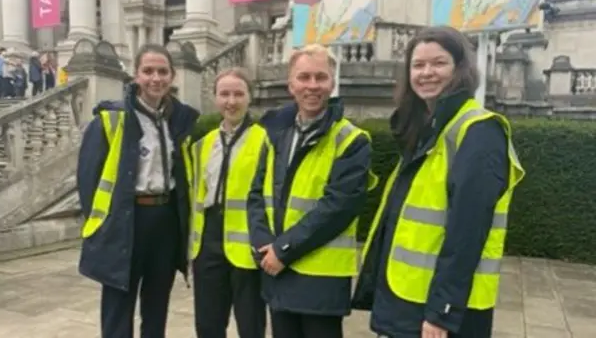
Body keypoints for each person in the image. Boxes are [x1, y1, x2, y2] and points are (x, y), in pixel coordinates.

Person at [352, 26, 525, 338]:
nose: (426, 73)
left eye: (438, 63)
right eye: (418, 65)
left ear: (461, 69)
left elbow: (467, 233)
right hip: (406, 297)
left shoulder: (478, 132)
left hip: (441, 310)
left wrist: (442, 312)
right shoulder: (426, 129)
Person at [247, 43, 377, 338]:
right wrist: (262, 243)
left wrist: (282, 250)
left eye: (321, 77)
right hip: (276, 270)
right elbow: (256, 195)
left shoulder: (351, 140)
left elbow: (339, 208)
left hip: (320, 280)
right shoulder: (276, 135)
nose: (312, 86)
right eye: (304, 77)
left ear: (333, 83)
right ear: (290, 84)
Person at [76, 43, 199, 338]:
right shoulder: (111, 119)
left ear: (172, 77)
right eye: (148, 71)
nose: (155, 78)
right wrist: (101, 227)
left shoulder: (183, 120)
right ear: (135, 75)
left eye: (162, 71)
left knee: (157, 306)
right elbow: (88, 182)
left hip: (166, 221)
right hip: (126, 221)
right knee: (119, 305)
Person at [191, 68, 267, 338]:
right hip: (208, 243)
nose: (231, 101)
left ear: (250, 97)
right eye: (224, 94)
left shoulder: (266, 139)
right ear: (215, 98)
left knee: (250, 324)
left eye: (238, 94)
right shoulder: (202, 144)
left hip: (248, 240)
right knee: (208, 324)